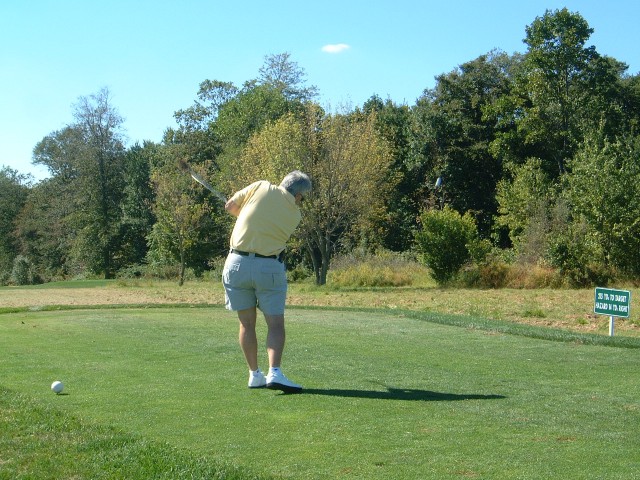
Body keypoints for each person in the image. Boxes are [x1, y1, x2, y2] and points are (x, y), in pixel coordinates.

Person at [222, 171, 312, 393]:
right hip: (268, 267)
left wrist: (246, 213)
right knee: (275, 324)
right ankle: (275, 373)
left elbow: (230, 207)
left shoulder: (261, 186)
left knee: (246, 323)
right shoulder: (295, 215)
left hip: (236, 264)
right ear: (298, 196)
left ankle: (254, 375)